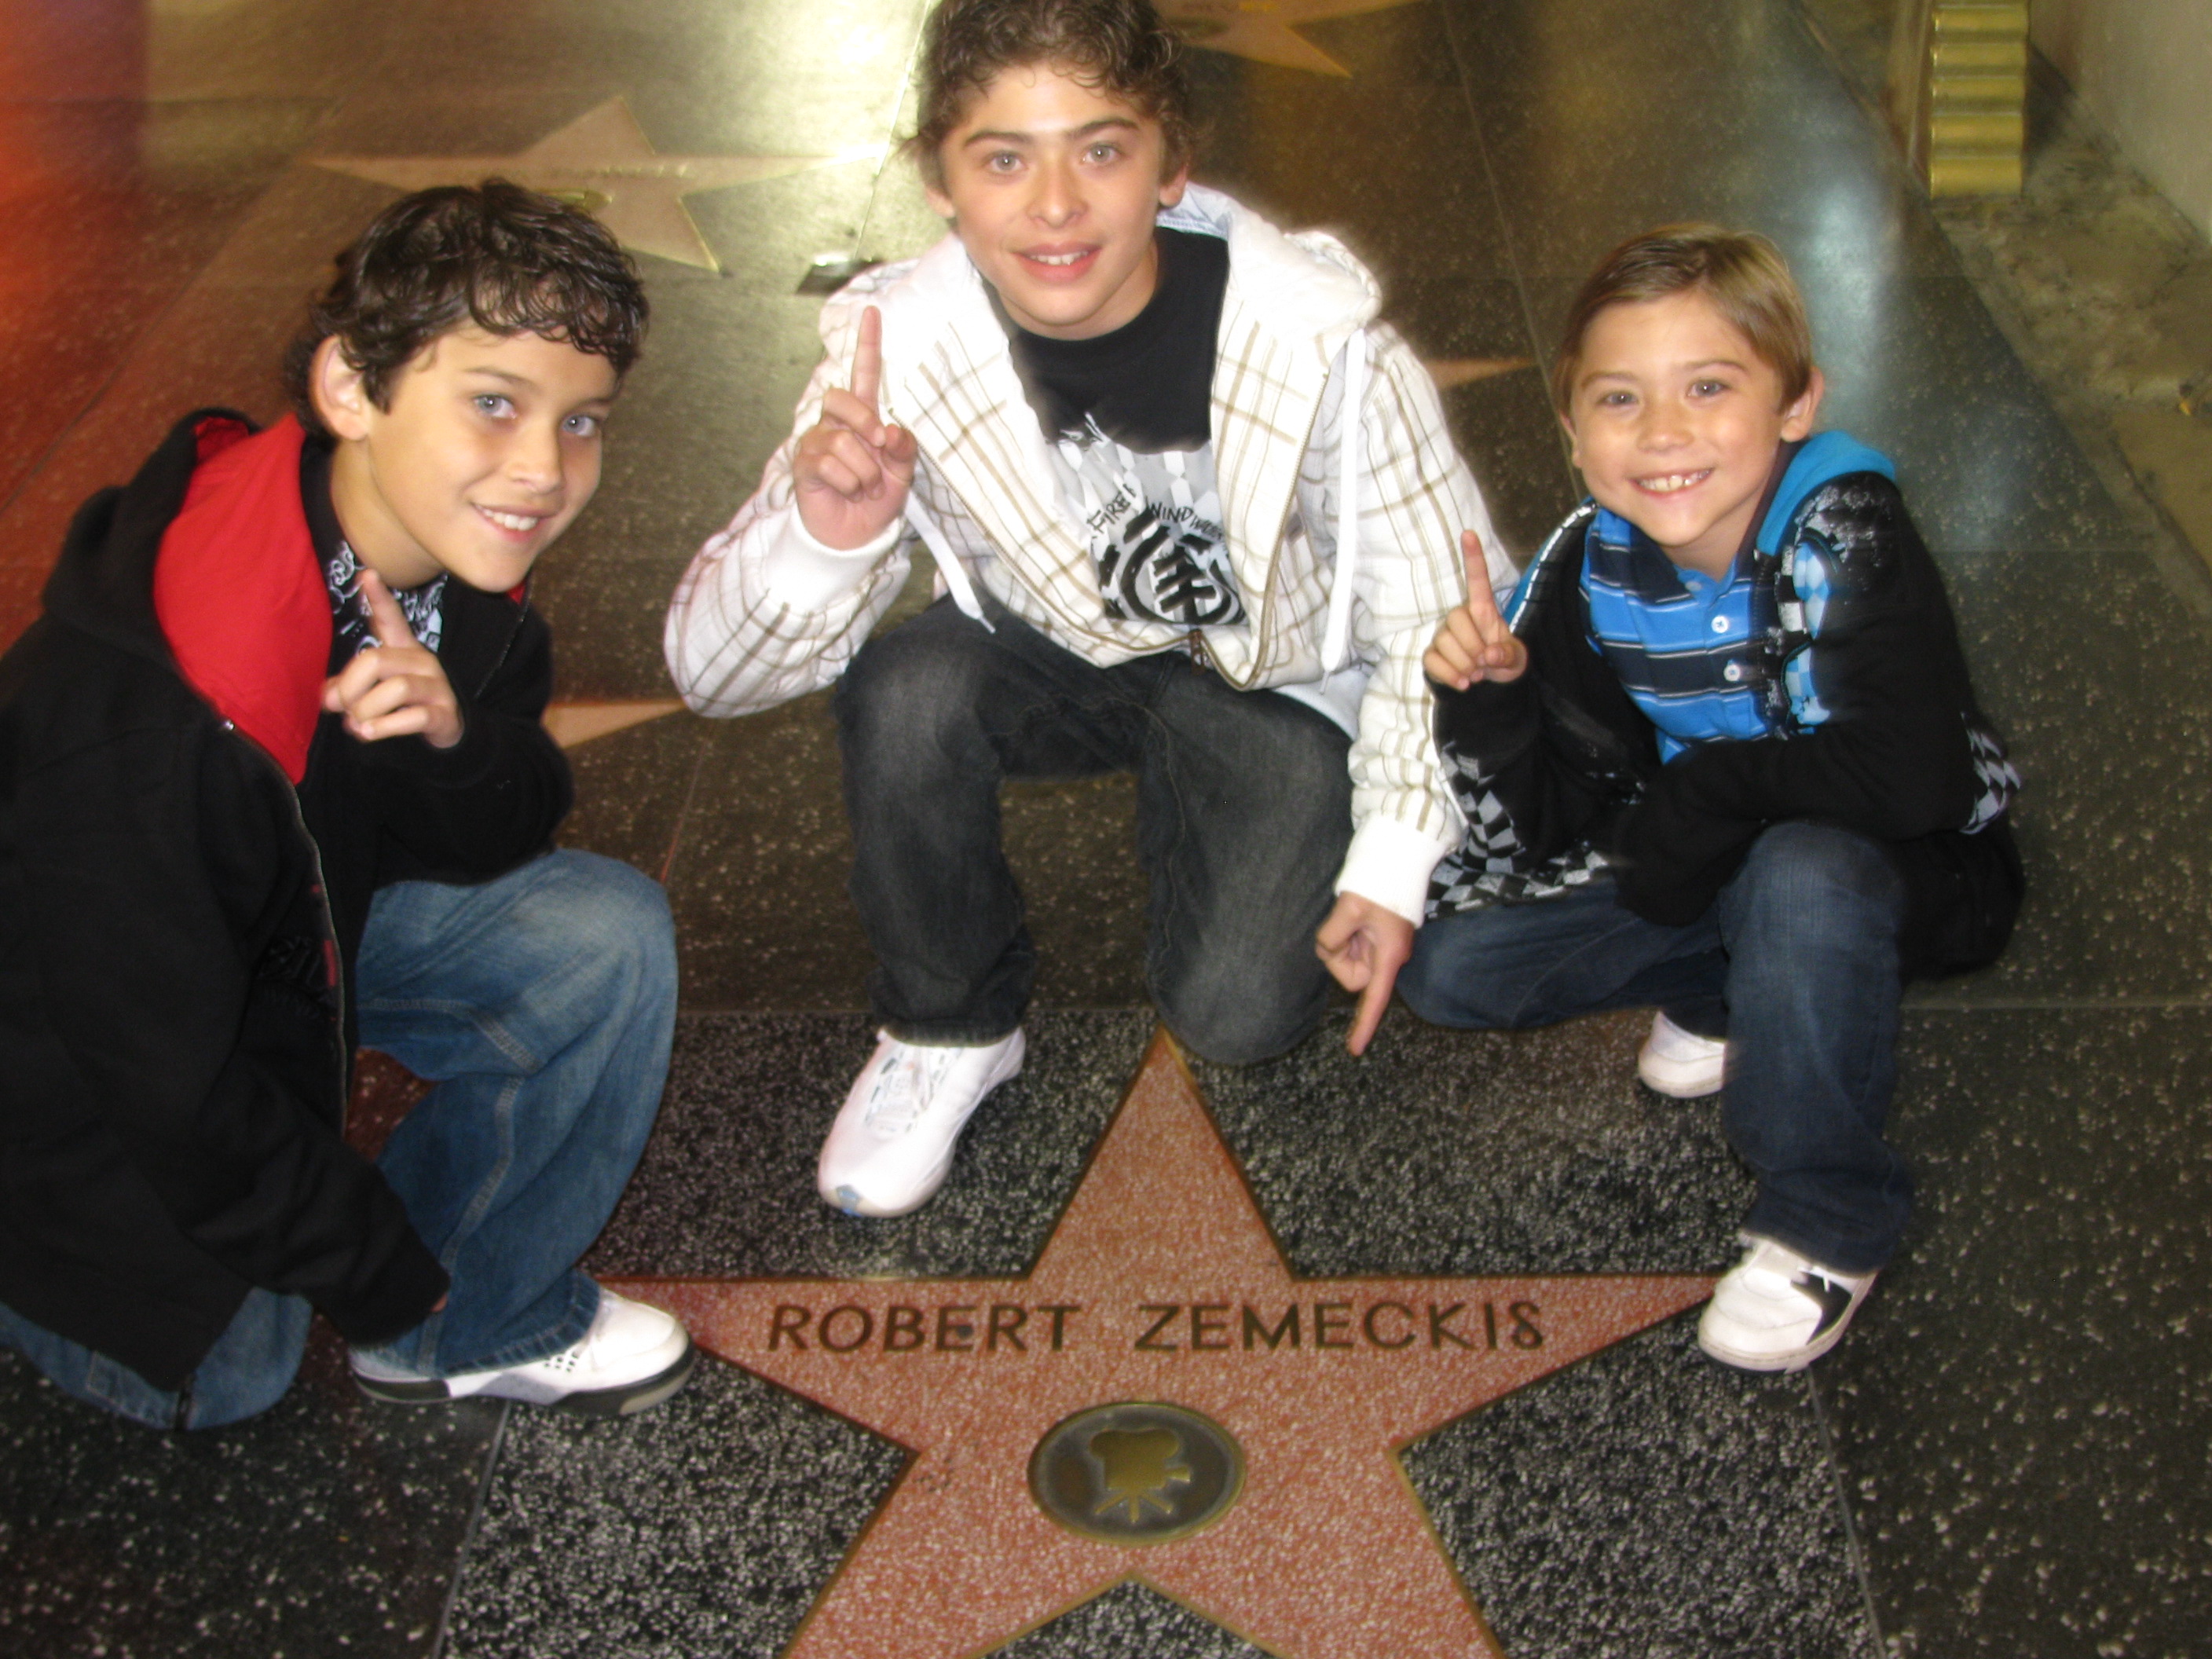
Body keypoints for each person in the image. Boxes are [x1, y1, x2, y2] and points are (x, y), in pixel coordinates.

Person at [665, 0, 1510, 1218]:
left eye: (1102, 150)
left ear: (1173, 162)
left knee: (1238, 1018)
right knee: (907, 691)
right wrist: (822, 539)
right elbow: (710, 676)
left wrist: (1390, 858)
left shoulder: (1321, 344)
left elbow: (1432, 613)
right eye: (1004, 157)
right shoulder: (892, 348)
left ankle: (1204, 800)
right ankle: (950, 1026)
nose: (1054, 206)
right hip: (1048, 647)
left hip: (1264, 681)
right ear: (938, 177)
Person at [0, 181, 693, 1428]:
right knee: (227, 1372)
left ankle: (482, 1317)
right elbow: (168, 1083)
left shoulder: (444, 563)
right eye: (493, 402)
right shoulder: (158, 713)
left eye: (581, 420)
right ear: (350, 389)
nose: (543, 470)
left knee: (600, 937)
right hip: (64, 1062)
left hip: (273, 946)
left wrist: (447, 739)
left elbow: (508, 826)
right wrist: (381, 1274)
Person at [1397, 225, 2023, 1372]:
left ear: (1795, 404)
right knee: (1454, 973)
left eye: (1710, 387)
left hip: (1907, 861)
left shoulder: (1846, 529)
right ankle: (1750, 985)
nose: (1666, 432)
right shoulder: (1591, 565)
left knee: (1800, 871)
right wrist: (1491, 700)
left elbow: (1913, 776)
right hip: (1713, 853)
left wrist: (1716, 795)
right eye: (1621, 399)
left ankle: (1827, 1213)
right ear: (1573, 428)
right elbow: (1542, 827)